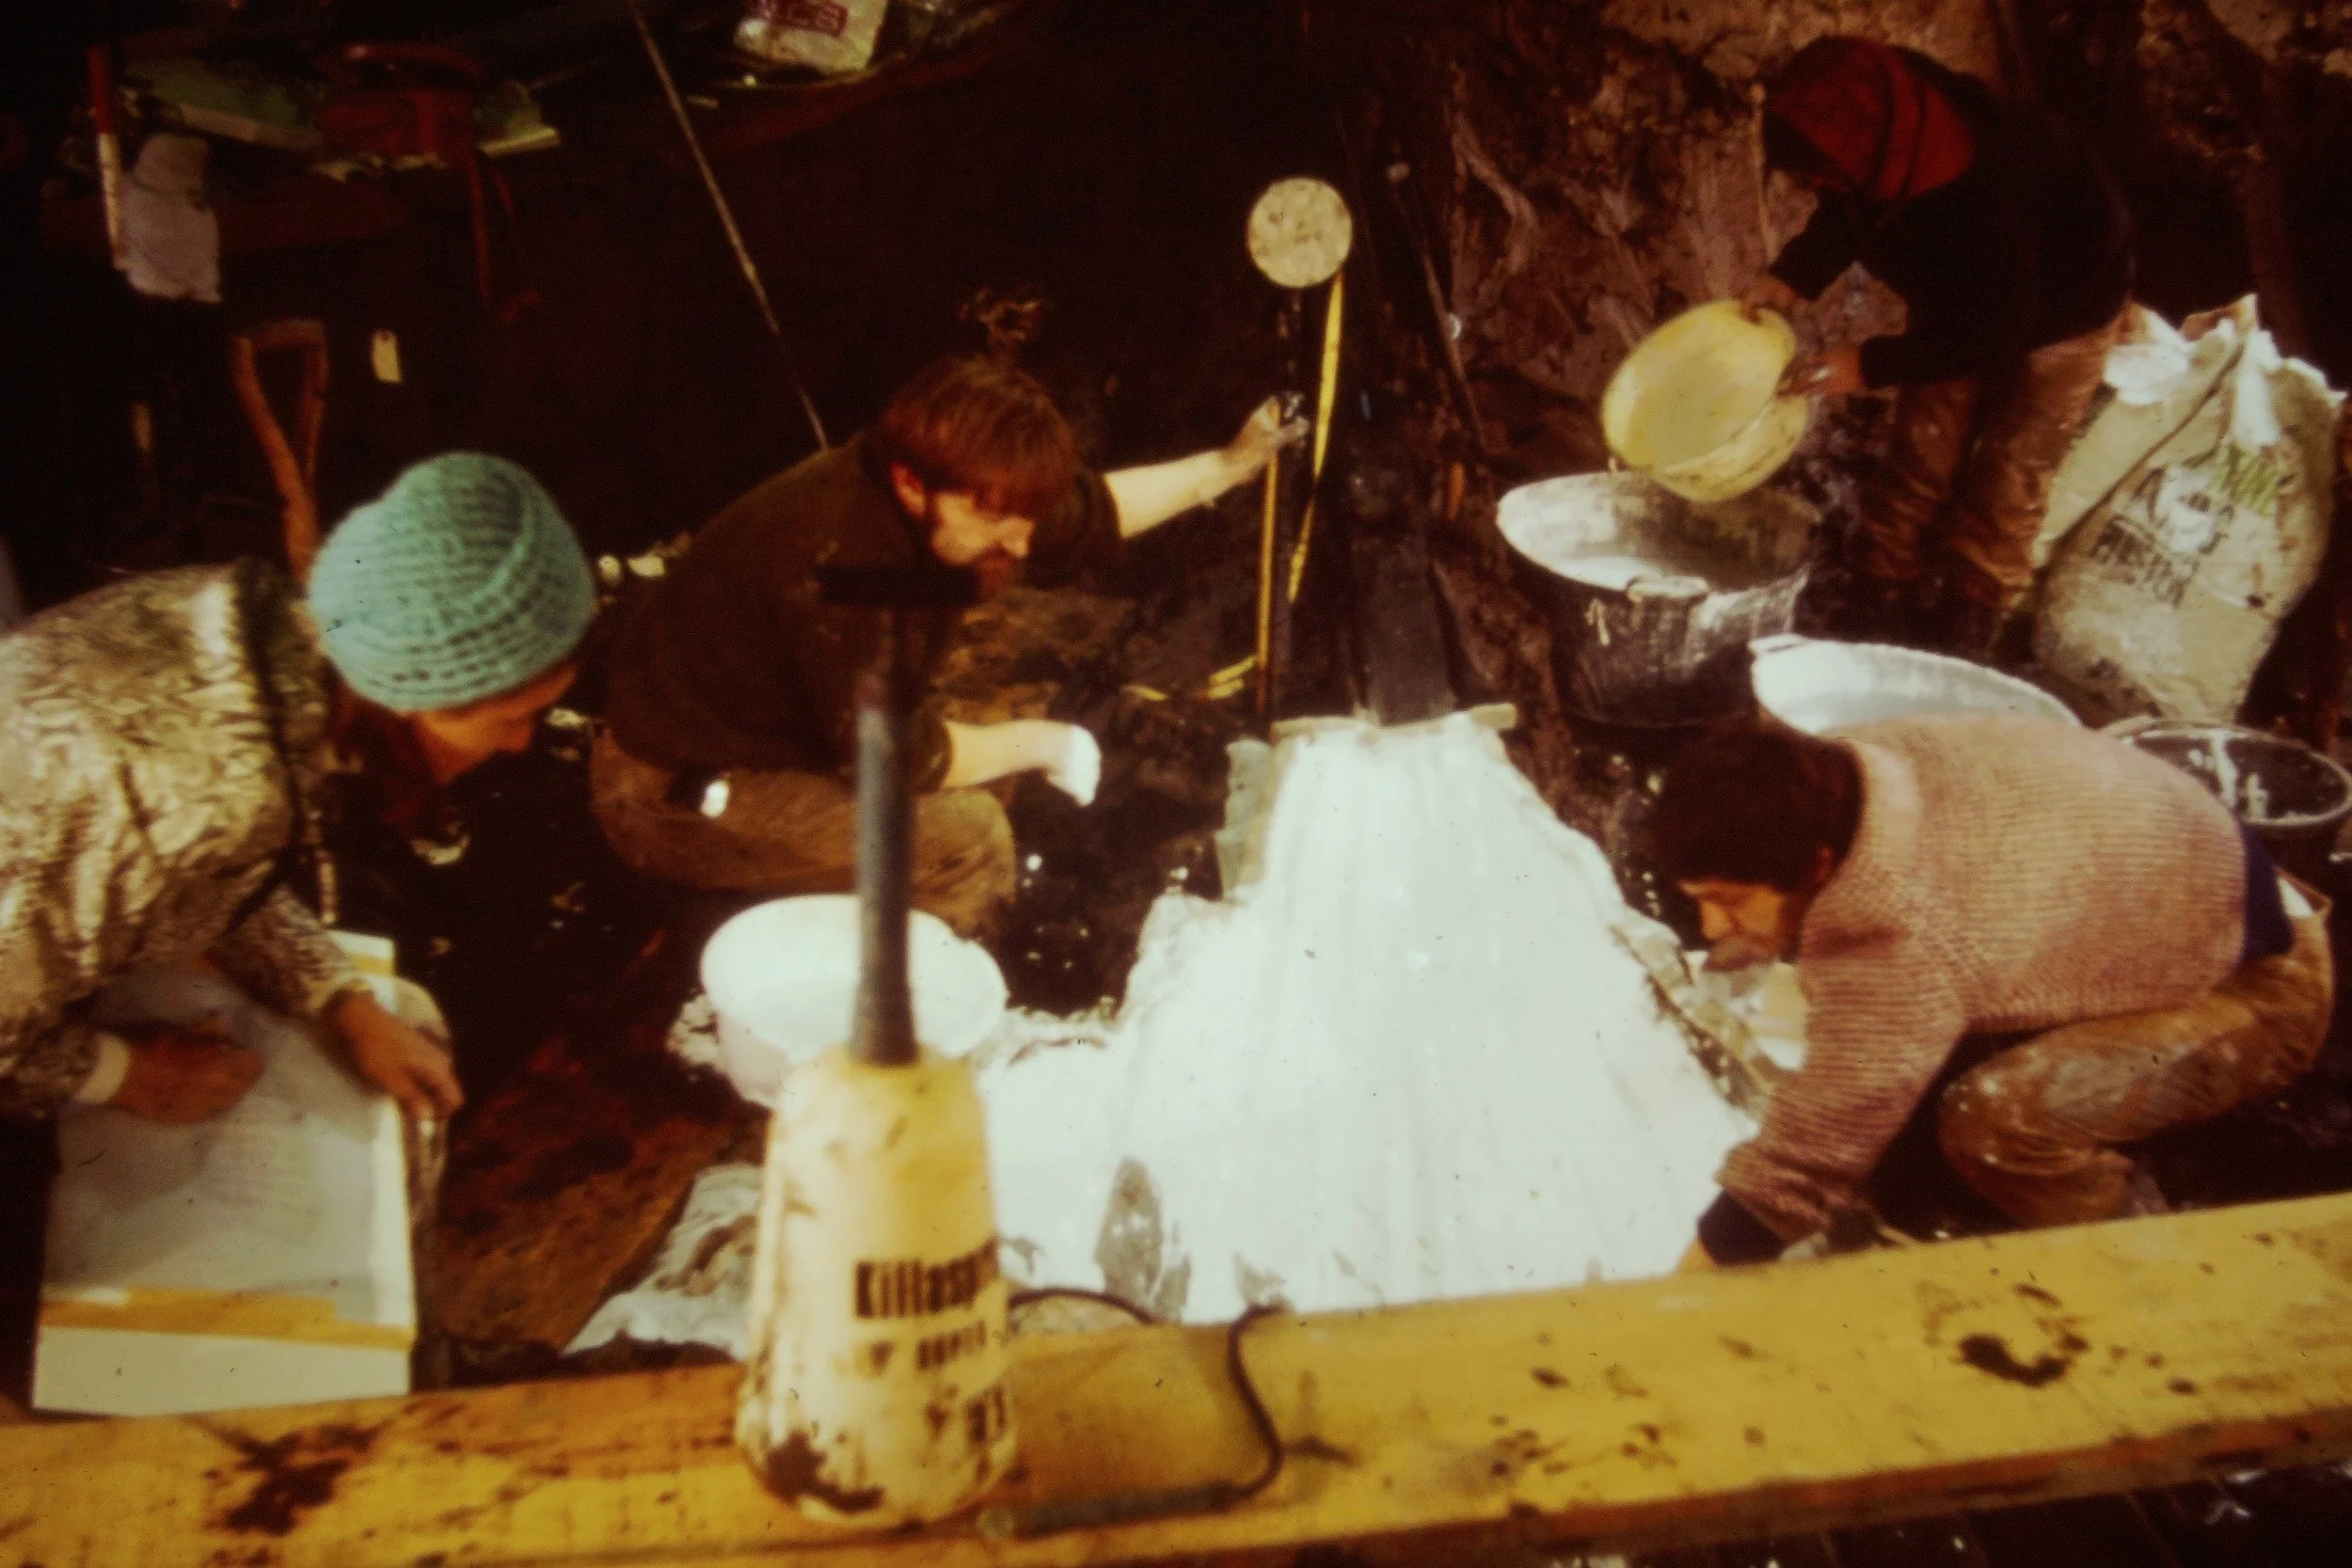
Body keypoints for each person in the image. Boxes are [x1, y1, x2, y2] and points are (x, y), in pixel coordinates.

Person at [592, 355, 1303, 938]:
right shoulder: (844, 568)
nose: (1022, 544)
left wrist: (1230, 463)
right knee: (969, 837)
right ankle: (933, 1036)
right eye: (998, 518)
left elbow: (1093, 512)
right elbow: (906, 758)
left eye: (1027, 515)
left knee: (962, 763)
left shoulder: (957, 490)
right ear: (910, 486)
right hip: (670, 790)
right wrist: (1042, 741)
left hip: (773, 733)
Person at [0, 452, 597, 1125]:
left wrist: (342, 1000)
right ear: (413, 700)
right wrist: (130, 1074)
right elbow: (187, 825)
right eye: (511, 716)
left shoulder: (245, 622)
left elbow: (210, 879)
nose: (522, 741)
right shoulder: (217, 787)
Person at [1650, 714, 2333, 1267]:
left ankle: (2146, 1251)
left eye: (1730, 901)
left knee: (1994, 1122)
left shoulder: (1904, 931)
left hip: (2261, 986)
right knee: (1912, 1093)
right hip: (2201, 885)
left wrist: (1679, 1298)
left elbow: (1800, 1168)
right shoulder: (1854, 764)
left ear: (1816, 863)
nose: (1715, 928)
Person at [1740, 37, 2135, 656]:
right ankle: (1880, 593)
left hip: (2066, 303)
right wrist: (1791, 277)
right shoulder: (1888, 138)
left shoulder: (1990, 188)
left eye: (1820, 172)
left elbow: (1995, 333)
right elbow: (1848, 209)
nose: (1816, 184)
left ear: (1866, 154)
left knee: (2010, 467)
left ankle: (1968, 617)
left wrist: (1867, 363)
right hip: (1964, 291)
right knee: (1923, 444)